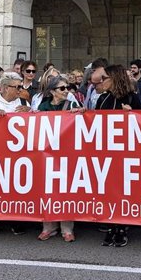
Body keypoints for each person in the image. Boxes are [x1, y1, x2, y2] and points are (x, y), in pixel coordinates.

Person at [94, 64, 141, 247]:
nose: (101, 81)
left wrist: (132, 115)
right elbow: (94, 122)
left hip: (126, 152)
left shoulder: (132, 98)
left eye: (105, 77)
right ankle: (111, 221)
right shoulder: (103, 99)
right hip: (106, 150)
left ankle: (122, 225)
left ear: (115, 78)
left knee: (124, 188)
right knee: (109, 187)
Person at [0, 71, 31, 237]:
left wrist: (30, 112)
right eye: (16, 87)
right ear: (3, 87)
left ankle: (17, 221)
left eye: (20, 87)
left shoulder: (24, 102)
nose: (19, 90)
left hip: (19, 152)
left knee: (17, 187)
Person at [36, 75, 79, 243]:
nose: (66, 91)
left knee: (65, 190)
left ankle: (67, 228)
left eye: (67, 88)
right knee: (47, 190)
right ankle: (48, 226)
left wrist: (80, 113)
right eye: (62, 88)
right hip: (47, 154)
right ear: (53, 91)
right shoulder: (44, 106)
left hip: (66, 154)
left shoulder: (72, 105)